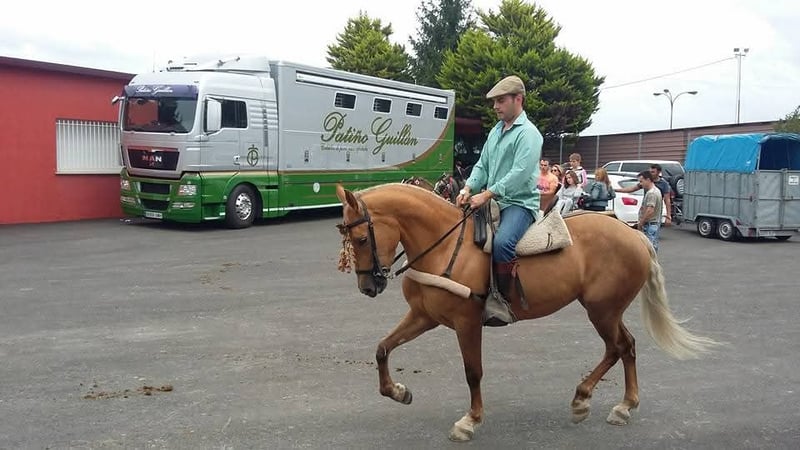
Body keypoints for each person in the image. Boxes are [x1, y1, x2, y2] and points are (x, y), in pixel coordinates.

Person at [456, 75, 542, 326]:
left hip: (519, 203)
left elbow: (520, 173)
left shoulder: (529, 134)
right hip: (491, 200)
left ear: (518, 99)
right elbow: (482, 165)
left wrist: (486, 194)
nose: (495, 106)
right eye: (494, 101)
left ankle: (502, 301)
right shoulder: (495, 131)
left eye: (501, 100)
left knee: (503, 243)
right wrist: (468, 187)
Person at [636, 171, 663, 252]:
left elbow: (650, 210)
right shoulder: (655, 190)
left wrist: (641, 222)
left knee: (649, 249)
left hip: (650, 224)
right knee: (652, 247)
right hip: (654, 224)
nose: (640, 184)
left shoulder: (652, 193)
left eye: (641, 181)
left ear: (648, 180)